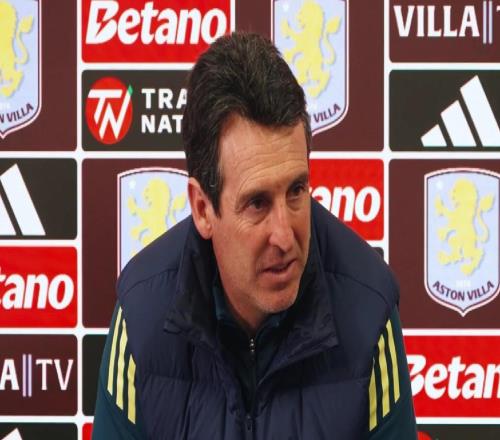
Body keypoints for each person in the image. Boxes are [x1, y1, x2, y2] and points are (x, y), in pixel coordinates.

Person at [92, 32, 417, 439]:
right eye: (257, 203)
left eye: (296, 191)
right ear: (202, 209)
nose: (284, 236)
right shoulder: (142, 315)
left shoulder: (368, 308)